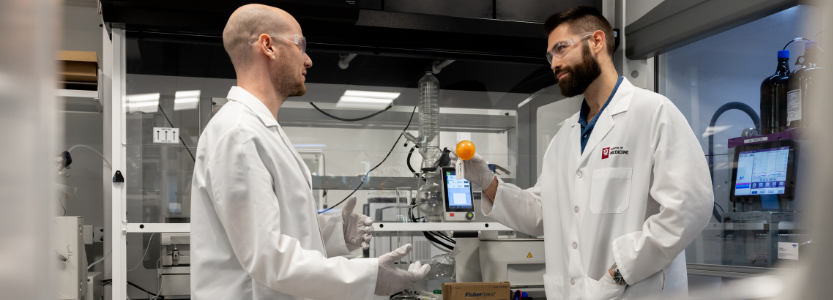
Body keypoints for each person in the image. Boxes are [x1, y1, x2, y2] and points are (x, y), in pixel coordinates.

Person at [456, 6, 712, 300]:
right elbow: (543, 213)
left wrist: (621, 271)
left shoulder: (654, 113)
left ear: (597, 42)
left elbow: (691, 207)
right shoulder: (565, 136)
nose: (554, 63)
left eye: (561, 49)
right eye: (550, 55)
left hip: (638, 291)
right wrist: (487, 181)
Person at [189, 4, 429, 300]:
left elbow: (275, 236)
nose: (308, 59)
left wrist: (332, 232)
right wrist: (370, 277)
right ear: (268, 45)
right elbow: (269, 258)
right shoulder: (239, 133)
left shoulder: (261, 131)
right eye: (300, 44)